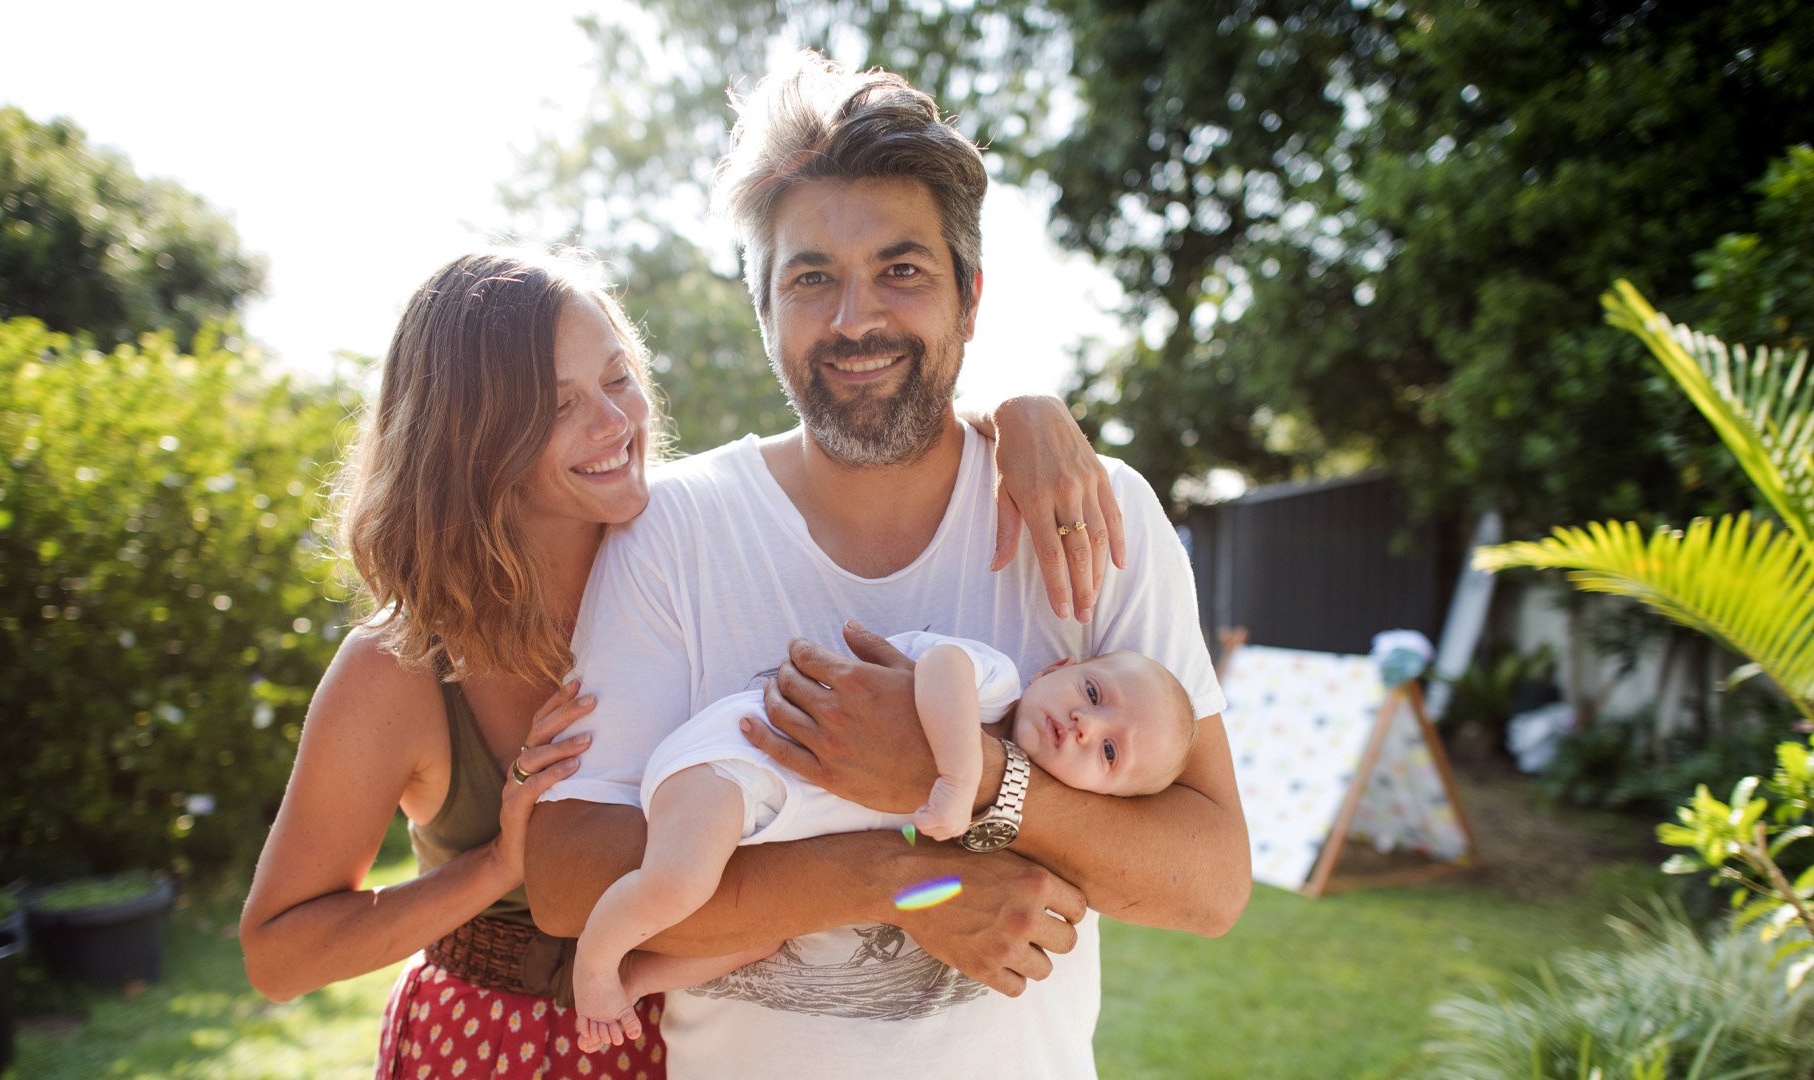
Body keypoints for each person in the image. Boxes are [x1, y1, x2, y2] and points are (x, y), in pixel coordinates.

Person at [527, 54, 1250, 1080]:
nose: (855, 319)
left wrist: (974, 778)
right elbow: (568, 881)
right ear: (766, 311)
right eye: (811, 277)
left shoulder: (1096, 513)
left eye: (901, 270)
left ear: (970, 295)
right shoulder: (671, 531)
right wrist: (893, 875)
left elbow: (1211, 884)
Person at [234, 250, 1122, 1079]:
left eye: (618, 378)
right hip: (497, 1042)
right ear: (467, 436)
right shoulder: (401, 666)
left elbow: (869, 442)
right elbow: (279, 953)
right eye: (556, 405)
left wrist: (1022, 413)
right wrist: (499, 867)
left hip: (680, 1033)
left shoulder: (691, 546)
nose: (615, 422)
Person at [570, 630, 1201, 1052]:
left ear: (1103, 797)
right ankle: (594, 966)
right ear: (1059, 668)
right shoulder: (996, 685)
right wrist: (961, 775)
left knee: (757, 939)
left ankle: (635, 980)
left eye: (1111, 751)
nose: (1086, 725)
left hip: (772, 819)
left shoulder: (1025, 817)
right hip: (735, 763)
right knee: (680, 881)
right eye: (1092, 693)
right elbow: (941, 669)